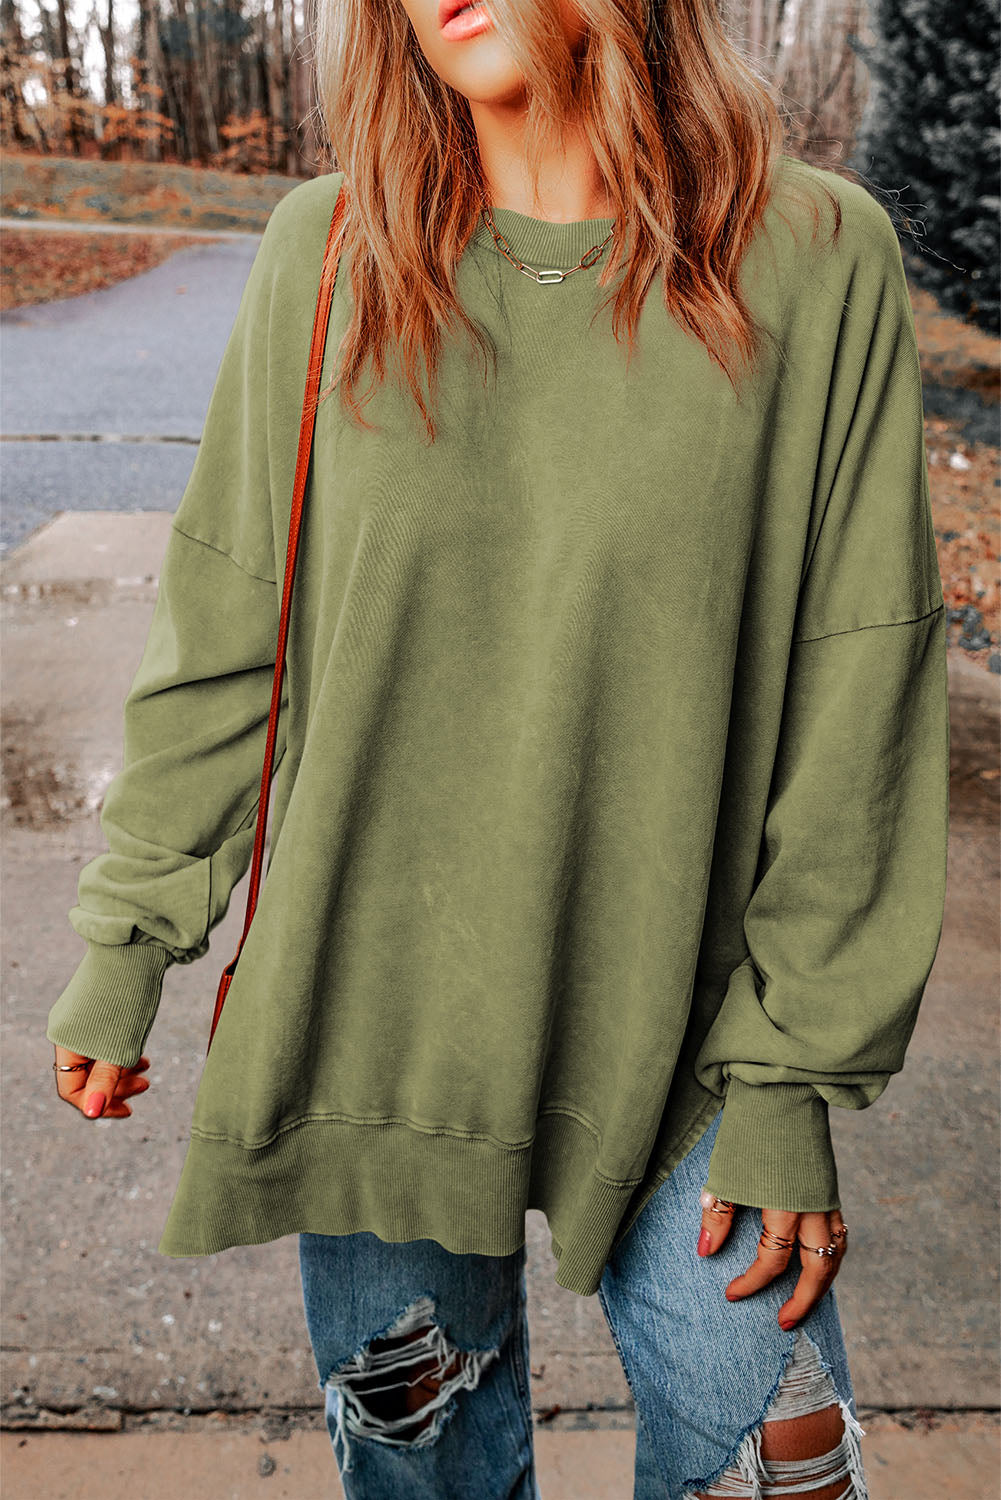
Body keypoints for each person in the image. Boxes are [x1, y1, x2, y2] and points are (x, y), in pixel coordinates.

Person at [47, 1, 949, 1496]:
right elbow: (227, 622)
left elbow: (860, 683)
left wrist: (796, 1072)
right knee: (427, 1461)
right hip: (380, 1004)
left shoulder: (811, 255)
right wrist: (133, 927)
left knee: (779, 1458)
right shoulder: (331, 251)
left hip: (690, 1016)